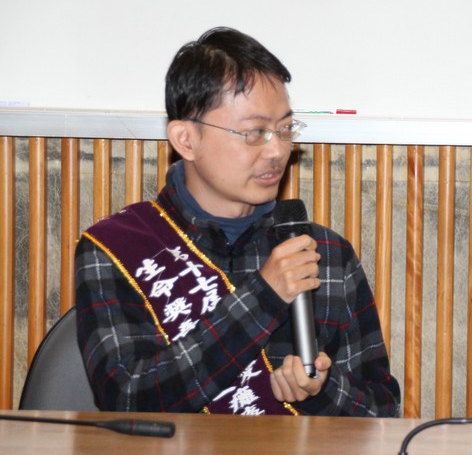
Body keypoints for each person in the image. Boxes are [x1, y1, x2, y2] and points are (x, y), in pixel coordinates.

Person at [74, 27, 400, 416]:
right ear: (186, 139)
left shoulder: (324, 254)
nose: (277, 150)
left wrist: (322, 389)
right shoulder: (119, 248)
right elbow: (127, 398)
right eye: (255, 132)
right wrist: (263, 297)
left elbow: (382, 414)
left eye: (285, 129)